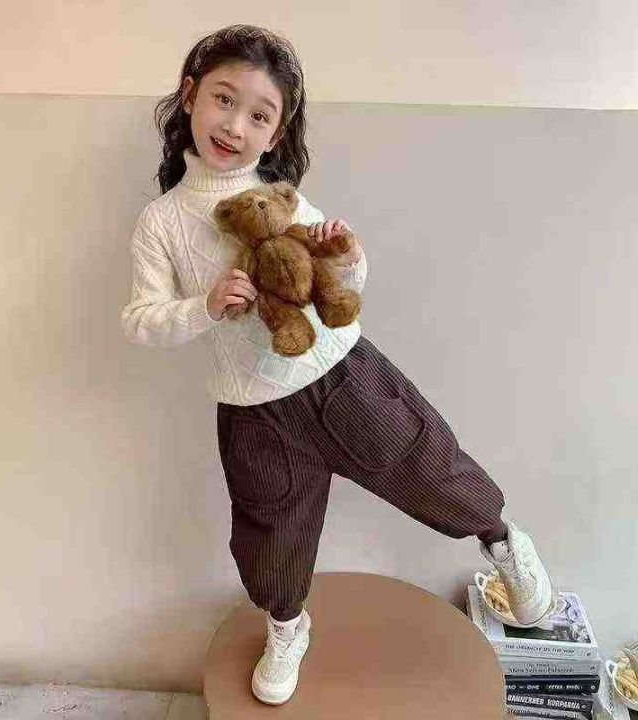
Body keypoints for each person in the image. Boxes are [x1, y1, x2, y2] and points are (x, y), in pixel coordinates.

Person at [120, 23, 557, 706]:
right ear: (190, 95)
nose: (234, 125)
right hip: (252, 410)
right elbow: (141, 320)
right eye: (224, 100)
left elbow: (340, 283)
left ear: (276, 134)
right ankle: (287, 628)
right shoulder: (162, 222)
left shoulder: (284, 199)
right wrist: (203, 306)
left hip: (343, 379)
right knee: (270, 537)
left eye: (259, 115)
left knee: (429, 467)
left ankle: (502, 542)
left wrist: (347, 252)